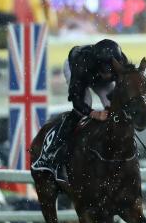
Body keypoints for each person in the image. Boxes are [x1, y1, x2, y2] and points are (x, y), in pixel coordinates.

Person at [31, 38, 129, 173]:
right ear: (97, 64)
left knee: (112, 104)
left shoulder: (122, 63)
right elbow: (77, 101)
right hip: (75, 70)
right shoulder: (81, 65)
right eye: (104, 71)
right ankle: (54, 148)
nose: (107, 75)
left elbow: (123, 90)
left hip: (93, 73)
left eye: (111, 71)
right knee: (85, 104)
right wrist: (95, 113)